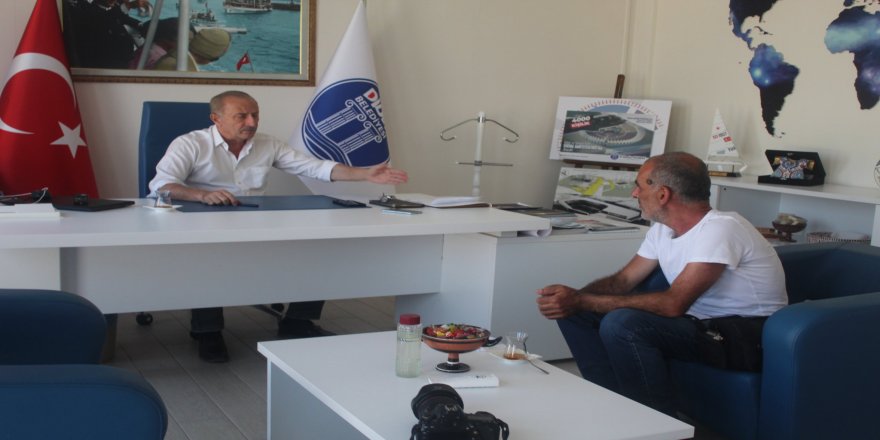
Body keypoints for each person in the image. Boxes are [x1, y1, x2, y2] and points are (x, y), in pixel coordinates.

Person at [148, 90, 408, 362]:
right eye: (241, 116)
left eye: (255, 115)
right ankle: (207, 331)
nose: (251, 122)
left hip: (255, 219)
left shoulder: (267, 144)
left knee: (317, 250)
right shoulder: (190, 144)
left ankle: (297, 322)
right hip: (202, 221)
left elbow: (315, 168)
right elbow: (161, 186)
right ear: (216, 118)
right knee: (208, 260)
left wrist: (365, 173)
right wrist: (201, 195)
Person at [535, 152, 787, 415]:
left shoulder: (721, 229)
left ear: (663, 194)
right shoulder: (663, 230)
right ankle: (611, 405)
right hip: (699, 325)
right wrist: (572, 299)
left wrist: (582, 300)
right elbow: (623, 280)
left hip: (745, 335)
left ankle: (655, 422)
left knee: (623, 324)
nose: (634, 193)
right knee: (575, 312)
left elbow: (673, 304)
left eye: (640, 186)